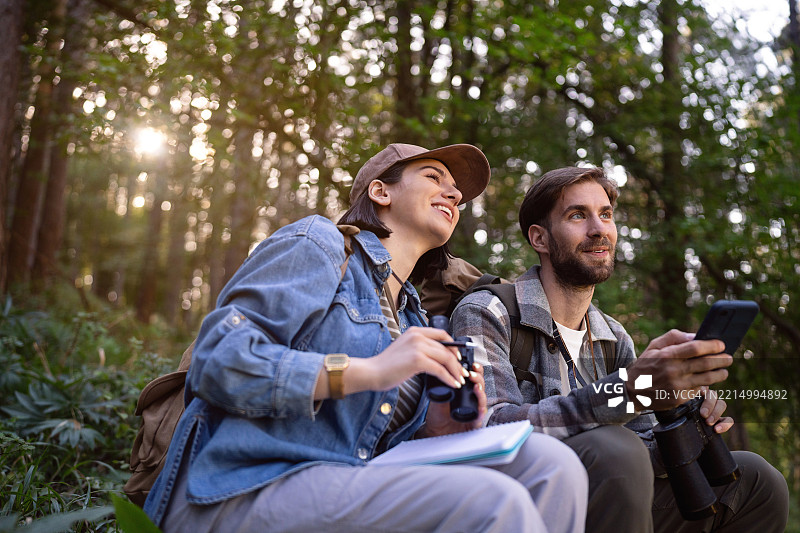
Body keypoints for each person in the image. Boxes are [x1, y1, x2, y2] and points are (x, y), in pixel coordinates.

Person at [143, 144, 588, 533]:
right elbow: (218, 360)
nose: (454, 195)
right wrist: (371, 371)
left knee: (553, 466)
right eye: (434, 177)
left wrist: (436, 430)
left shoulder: (419, 323)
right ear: (381, 192)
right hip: (242, 487)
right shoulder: (318, 245)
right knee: (493, 501)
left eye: (458, 193)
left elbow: (370, 445)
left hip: (347, 480)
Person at [450, 166, 789, 532]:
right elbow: (488, 429)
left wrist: (687, 428)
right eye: (578, 215)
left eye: (606, 215)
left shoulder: (613, 335)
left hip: (615, 500)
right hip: (530, 499)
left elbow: (645, 456)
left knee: (757, 480)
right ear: (540, 239)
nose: (599, 229)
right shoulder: (487, 312)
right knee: (614, 449)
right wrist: (628, 390)